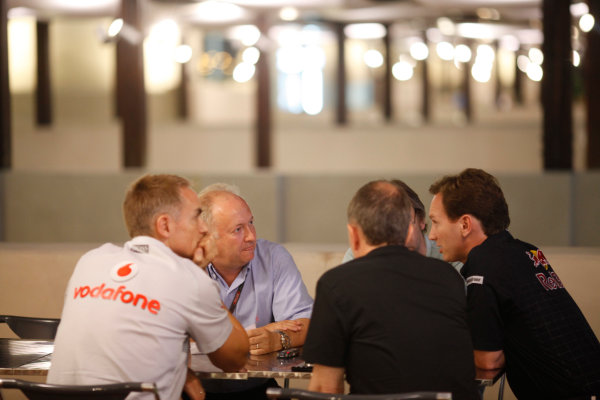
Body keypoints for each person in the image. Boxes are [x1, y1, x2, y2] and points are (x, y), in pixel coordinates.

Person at [48, 174, 249, 400]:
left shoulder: (90, 261)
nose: (204, 229)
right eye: (196, 217)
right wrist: (199, 272)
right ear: (164, 225)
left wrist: (179, 371)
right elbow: (236, 358)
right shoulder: (186, 277)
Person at [428, 168, 600, 399]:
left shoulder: (484, 266)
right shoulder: (526, 251)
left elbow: (488, 363)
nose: (431, 235)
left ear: (465, 225)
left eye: (436, 222)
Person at [303, 180, 478, 399]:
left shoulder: (335, 285)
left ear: (354, 234)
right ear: (409, 232)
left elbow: (325, 388)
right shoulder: (449, 278)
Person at [197, 183, 313, 400]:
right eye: (238, 229)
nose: (251, 236)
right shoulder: (185, 264)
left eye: (251, 223)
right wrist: (251, 334)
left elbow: (307, 323)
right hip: (197, 387)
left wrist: (277, 338)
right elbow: (171, 337)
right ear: (207, 236)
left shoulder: (273, 258)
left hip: (255, 386)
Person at [342, 179, 462, 272]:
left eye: (403, 220)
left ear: (421, 220)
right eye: (385, 222)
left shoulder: (447, 252)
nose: (395, 229)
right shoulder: (357, 254)